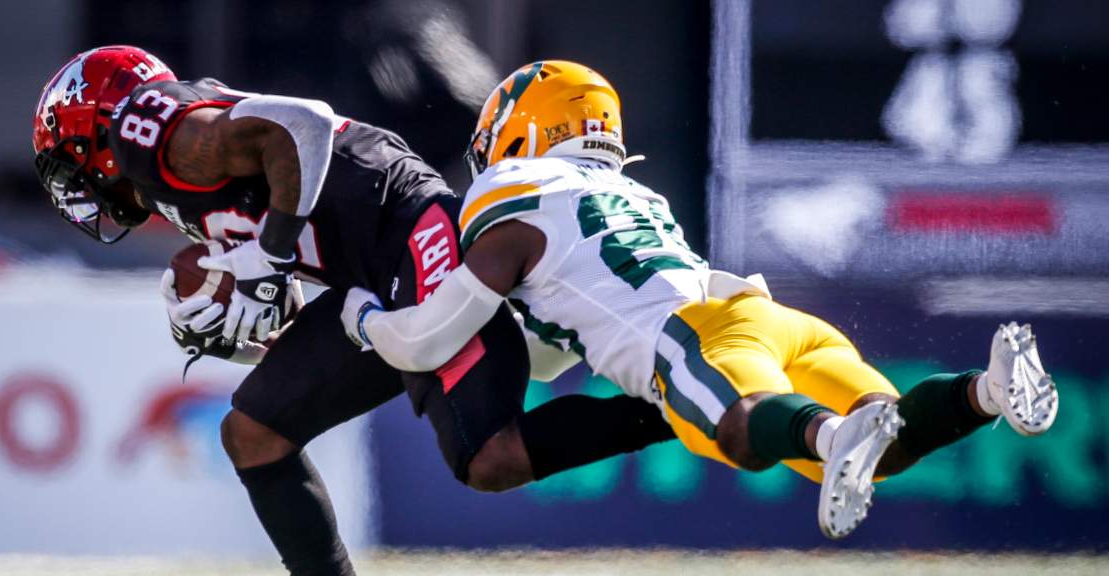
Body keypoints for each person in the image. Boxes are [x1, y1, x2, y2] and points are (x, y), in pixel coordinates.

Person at [32, 47, 675, 576]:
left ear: (97, 126)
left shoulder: (149, 128)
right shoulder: (176, 174)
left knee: (491, 458)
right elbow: (276, 301)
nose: (74, 183)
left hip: (415, 230)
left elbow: (303, 126)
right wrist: (236, 319)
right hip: (370, 278)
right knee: (255, 432)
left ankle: (673, 400)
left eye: (68, 159)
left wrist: (269, 256)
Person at [343, 60, 1059, 542]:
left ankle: (830, 436)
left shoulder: (509, 199)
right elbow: (552, 353)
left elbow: (431, 339)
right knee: (892, 440)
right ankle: (988, 389)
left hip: (695, 335)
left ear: (529, 129)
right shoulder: (633, 193)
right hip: (766, 317)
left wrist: (365, 318)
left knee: (746, 434)